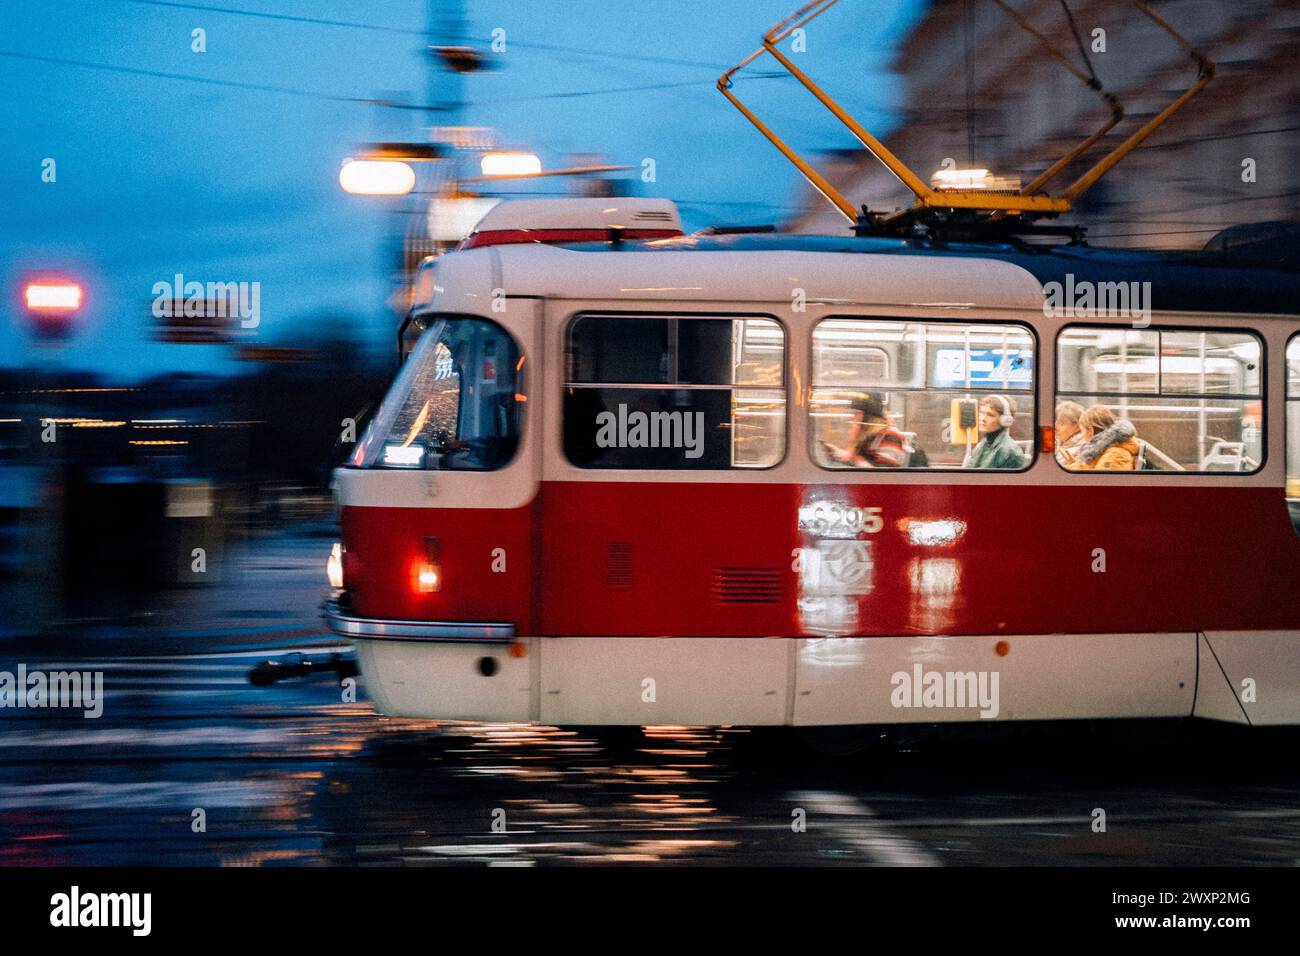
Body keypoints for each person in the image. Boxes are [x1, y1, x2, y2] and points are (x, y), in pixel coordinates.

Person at [826, 393, 911, 467]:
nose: (853, 418)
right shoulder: (867, 438)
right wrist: (840, 454)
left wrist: (850, 458)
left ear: (868, 417)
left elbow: (883, 475)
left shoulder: (891, 437)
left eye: (856, 414)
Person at [965, 394, 1027, 469]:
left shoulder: (1009, 452)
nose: (982, 418)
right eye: (981, 413)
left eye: (990, 415)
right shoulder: (983, 444)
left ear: (1004, 420)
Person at [1072, 405, 1140, 470]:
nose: (1081, 435)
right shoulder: (1103, 451)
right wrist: (1073, 465)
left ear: (1090, 430)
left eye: (1082, 430)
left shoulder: (1115, 455)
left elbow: (1099, 480)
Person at [1054, 400, 1086, 467]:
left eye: (1062, 423)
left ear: (1077, 426)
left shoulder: (1079, 450)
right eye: (1055, 422)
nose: (1055, 427)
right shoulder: (1059, 443)